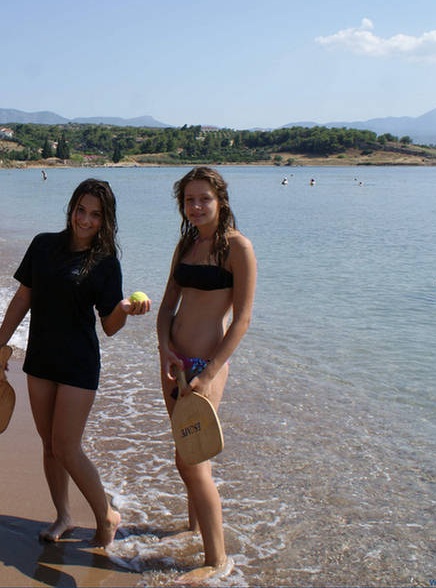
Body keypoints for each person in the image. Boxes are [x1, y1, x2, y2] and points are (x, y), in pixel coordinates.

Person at [0, 178, 150, 547]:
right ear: (71, 209)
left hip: (79, 363)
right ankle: (63, 516)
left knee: (66, 446)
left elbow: (110, 326)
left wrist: (125, 309)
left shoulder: (106, 264)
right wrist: (0, 341)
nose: (85, 220)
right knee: (49, 445)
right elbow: (23, 297)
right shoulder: (43, 245)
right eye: (81, 210)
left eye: (95, 215)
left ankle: (106, 515)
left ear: (105, 220)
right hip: (41, 358)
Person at [156, 166, 256, 582]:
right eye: (189, 200)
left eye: (204, 199)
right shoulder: (186, 244)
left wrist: (210, 373)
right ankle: (193, 529)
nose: (196, 207)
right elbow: (167, 307)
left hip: (205, 368)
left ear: (221, 201)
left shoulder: (238, 248)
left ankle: (217, 560)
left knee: (193, 461)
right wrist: (164, 349)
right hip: (174, 364)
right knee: (185, 457)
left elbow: (242, 320)